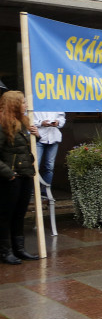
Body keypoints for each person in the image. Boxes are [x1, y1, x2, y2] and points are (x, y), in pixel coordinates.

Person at [0, 91, 40, 264]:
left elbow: (25, 149)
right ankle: (5, 251)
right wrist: (10, 174)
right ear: (14, 105)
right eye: (23, 102)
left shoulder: (23, 122)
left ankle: (19, 249)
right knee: (5, 215)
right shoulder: (2, 124)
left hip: (25, 175)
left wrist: (36, 135)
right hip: (11, 178)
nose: (26, 105)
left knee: (20, 214)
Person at [32, 109, 65, 187]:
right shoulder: (34, 100)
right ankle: (33, 191)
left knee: (49, 167)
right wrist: (41, 123)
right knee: (35, 166)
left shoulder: (56, 102)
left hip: (53, 138)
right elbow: (27, 119)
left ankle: (46, 191)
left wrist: (58, 122)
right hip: (38, 137)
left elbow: (62, 119)